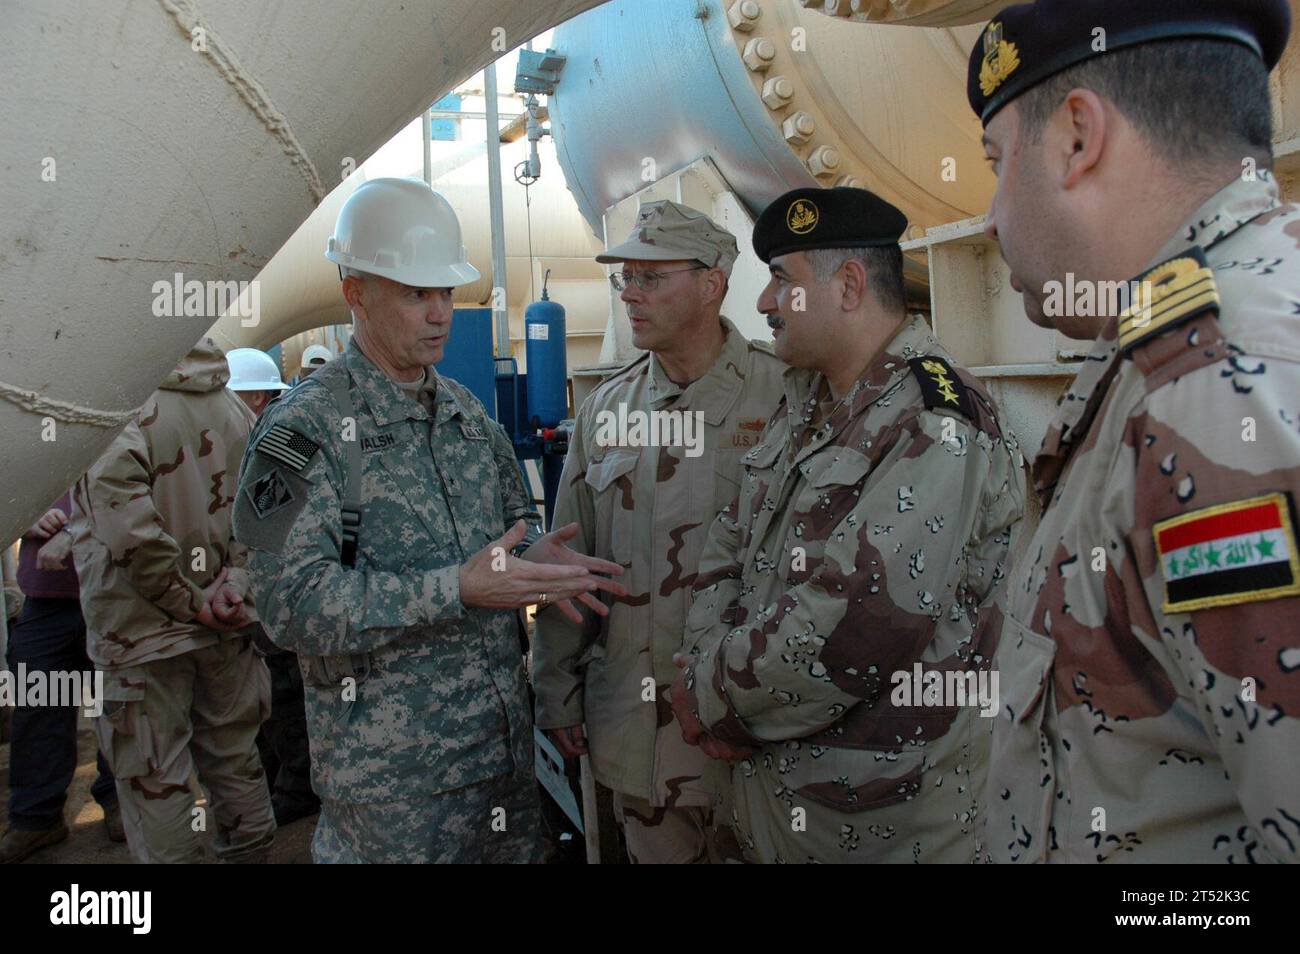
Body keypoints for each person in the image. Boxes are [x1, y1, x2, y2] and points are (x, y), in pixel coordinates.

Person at [970, 0, 1300, 862]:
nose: (990, 217)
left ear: (1078, 137)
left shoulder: (1222, 381)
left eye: (998, 163)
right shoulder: (1160, 345)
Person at [233, 177, 623, 863]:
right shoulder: (301, 432)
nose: (440, 312)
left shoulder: (468, 415)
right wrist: (455, 590)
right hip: (392, 791)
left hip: (501, 761)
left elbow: (509, 527)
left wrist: (534, 557)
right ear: (356, 292)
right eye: (417, 294)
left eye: (447, 293)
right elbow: (287, 608)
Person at [674, 186, 1026, 863]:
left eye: (782, 280)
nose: (763, 303)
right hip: (775, 805)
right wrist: (711, 673)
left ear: (849, 286)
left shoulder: (934, 419)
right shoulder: (807, 396)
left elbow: (855, 625)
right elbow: (729, 540)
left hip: (881, 826)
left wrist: (710, 695)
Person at [532, 201, 787, 863]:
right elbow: (571, 565)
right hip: (638, 733)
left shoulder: (785, 396)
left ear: (712, 283)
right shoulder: (605, 411)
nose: (630, 295)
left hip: (752, 728)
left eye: (650, 277)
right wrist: (555, 692)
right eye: (624, 279)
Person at [71, 337, 275, 863]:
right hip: (226, 625)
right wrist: (235, 584)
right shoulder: (230, 402)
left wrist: (189, 599)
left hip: (141, 635)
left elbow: (127, 531)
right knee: (235, 759)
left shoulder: (114, 408)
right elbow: (266, 507)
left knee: (155, 776)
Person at [0, 495, 122, 864]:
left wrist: (72, 530)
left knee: (117, 705)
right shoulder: (25, 438)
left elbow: (136, 497)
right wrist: (24, 515)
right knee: (39, 706)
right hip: (45, 596)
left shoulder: (124, 435)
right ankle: (36, 817)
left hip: (113, 589)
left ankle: (120, 798)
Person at [226, 347, 319, 825]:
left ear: (258, 396)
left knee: (286, 694)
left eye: (237, 397)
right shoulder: (254, 434)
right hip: (260, 586)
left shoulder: (293, 429)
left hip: (286, 588)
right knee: (268, 696)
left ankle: (296, 786)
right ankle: (275, 778)